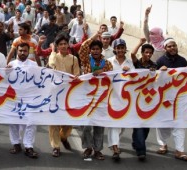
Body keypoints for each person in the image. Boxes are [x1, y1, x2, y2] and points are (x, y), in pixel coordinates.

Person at [155, 37, 187, 162]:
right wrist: (159, 72)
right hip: (164, 98)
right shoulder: (160, 61)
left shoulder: (182, 60)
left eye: (174, 46)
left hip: (180, 98)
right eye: (170, 46)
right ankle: (163, 144)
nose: (172, 48)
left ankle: (179, 150)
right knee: (162, 123)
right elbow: (153, 80)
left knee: (179, 124)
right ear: (165, 48)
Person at [79, 32, 113, 160]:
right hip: (87, 98)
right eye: (93, 49)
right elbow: (82, 47)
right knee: (86, 125)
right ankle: (88, 147)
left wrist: (102, 72)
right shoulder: (86, 60)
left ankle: (97, 150)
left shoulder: (107, 63)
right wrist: (95, 36)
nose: (95, 51)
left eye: (97, 49)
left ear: (101, 50)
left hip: (102, 98)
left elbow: (113, 77)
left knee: (99, 125)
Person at [47, 34, 80, 157]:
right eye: (60, 44)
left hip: (68, 94)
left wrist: (76, 77)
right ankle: (55, 146)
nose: (63, 46)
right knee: (53, 121)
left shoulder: (73, 59)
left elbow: (77, 73)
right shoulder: (54, 56)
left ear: (68, 44)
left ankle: (63, 137)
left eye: (65, 43)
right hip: (54, 93)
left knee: (68, 121)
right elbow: (51, 64)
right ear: (57, 46)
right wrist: (53, 51)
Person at [7, 42, 38, 158]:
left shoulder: (33, 65)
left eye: (25, 51)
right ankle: (16, 144)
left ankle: (28, 146)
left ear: (28, 51)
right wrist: (4, 71)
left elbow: (41, 79)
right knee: (13, 122)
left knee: (31, 122)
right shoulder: (11, 64)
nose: (22, 53)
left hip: (30, 98)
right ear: (17, 51)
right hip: (14, 98)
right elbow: (5, 79)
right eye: (20, 51)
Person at [107, 38, 135, 161]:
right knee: (115, 123)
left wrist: (130, 71)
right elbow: (104, 76)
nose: (120, 50)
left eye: (122, 47)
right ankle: (115, 147)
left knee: (122, 124)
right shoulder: (109, 62)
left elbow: (137, 77)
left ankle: (114, 142)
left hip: (125, 97)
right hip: (112, 96)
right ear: (114, 49)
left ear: (125, 49)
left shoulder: (129, 63)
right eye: (118, 48)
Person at [131, 38, 157, 161]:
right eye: (146, 52)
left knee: (146, 126)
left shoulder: (154, 66)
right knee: (139, 124)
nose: (148, 55)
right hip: (135, 97)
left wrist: (156, 72)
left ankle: (137, 142)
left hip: (148, 99)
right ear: (142, 53)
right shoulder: (137, 63)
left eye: (150, 53)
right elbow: (132, 54)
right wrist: (140, 42)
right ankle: (141, 151)